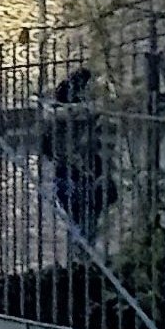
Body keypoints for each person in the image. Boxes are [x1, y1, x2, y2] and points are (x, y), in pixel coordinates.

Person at [39, 66, 114, 246]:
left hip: (70, 172)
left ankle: (80, 260)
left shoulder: (55, 115)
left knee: (80, 222)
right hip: (79, 174)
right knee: (84, 221)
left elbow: (46, 148)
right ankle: (83, 259)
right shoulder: (83, 115)